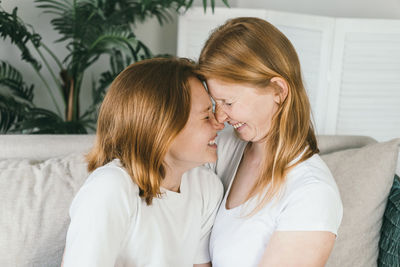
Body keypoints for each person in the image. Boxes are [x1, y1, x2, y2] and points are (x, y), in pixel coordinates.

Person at [198, 17, 343, 267]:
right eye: (215, 102)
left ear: (278, 91)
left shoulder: (312, 193)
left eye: (229, 103)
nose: (220, 117)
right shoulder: (224, 148)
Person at [62, 58, 224, 267]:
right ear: (162, 127)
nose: (219, 123)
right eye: (206, 116)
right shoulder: (110, 188)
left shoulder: (206, 187)